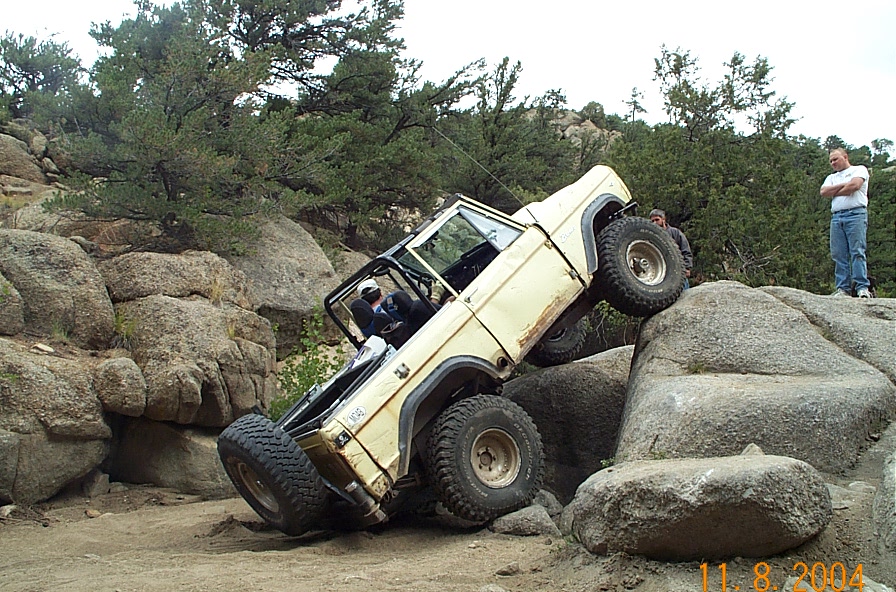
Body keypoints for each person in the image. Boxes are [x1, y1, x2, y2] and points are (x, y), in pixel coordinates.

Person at [820, 148, 871, 298]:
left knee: (857, 251)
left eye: (835, 159)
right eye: (831, 161)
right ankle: (843, 288)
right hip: (837, 217)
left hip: (856, 214)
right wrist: (844, 187)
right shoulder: (831, 177)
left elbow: (854, 186)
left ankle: (862, 287)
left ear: (845, 157)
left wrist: (834, 191)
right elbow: (823, 192)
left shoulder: (859, 170)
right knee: (838, 254)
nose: (833, 163)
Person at [649, 208, 693, 289]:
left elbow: (685, 250)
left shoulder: (675, 233)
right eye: (652, 221)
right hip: (662, 274)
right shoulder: (651, 236)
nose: (654, 223)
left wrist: (687, 267)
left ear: (663, 219)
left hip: (679, 272)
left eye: (657, 220)